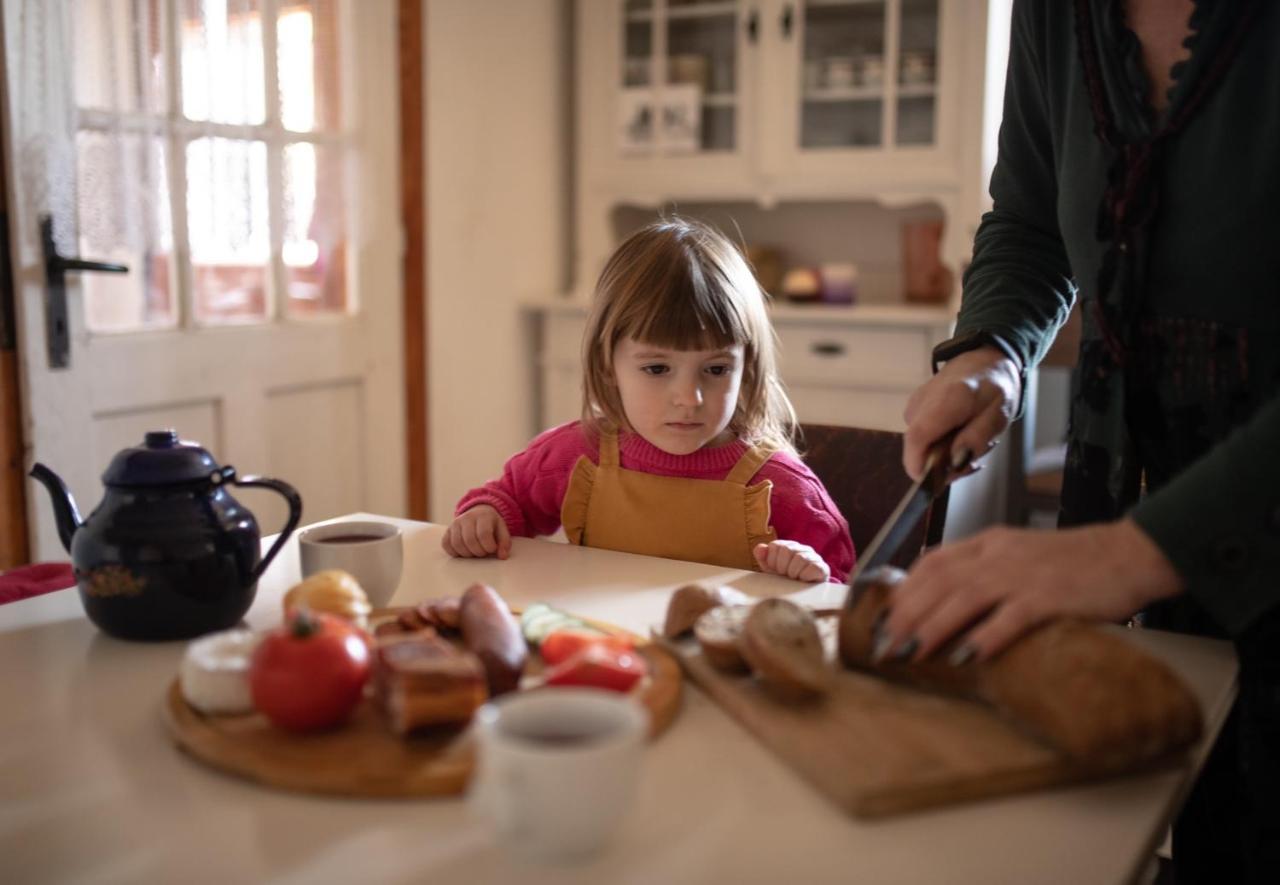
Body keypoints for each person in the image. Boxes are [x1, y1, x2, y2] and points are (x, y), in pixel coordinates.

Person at [878, 0, 1279, 880]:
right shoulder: (1056, 14)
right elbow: (1028, 216)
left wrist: (1133, 552)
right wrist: (994, 349)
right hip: (1157, 522)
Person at [443, 217, 855, 583]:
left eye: (715, 370)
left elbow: (839, 592)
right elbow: (507, 500)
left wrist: (808, 572)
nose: (689, 399)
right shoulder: (576, 456)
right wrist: (484, 517)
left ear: (746, 368)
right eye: (657, 369)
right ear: (608, 365)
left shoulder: (781, 487)